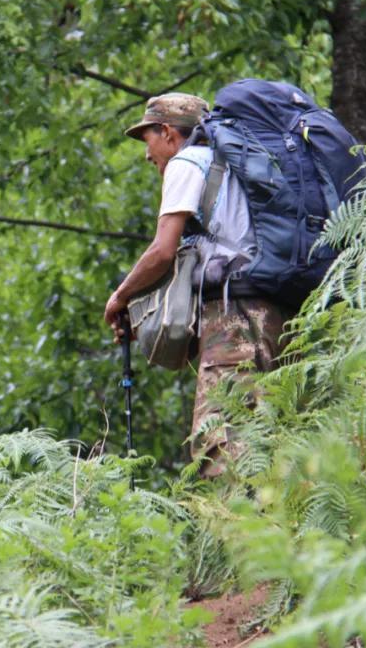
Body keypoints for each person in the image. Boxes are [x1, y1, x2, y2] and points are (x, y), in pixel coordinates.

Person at [102, 94, 291, 478]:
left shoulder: (187, 163)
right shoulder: (237, 165)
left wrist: (121, 296)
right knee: (275, 443)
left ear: (169, 133)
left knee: (221, 449)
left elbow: (162, 250)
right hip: (280, 312)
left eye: (147, 138)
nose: (147, 154)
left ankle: (236, 535)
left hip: (234, 320)